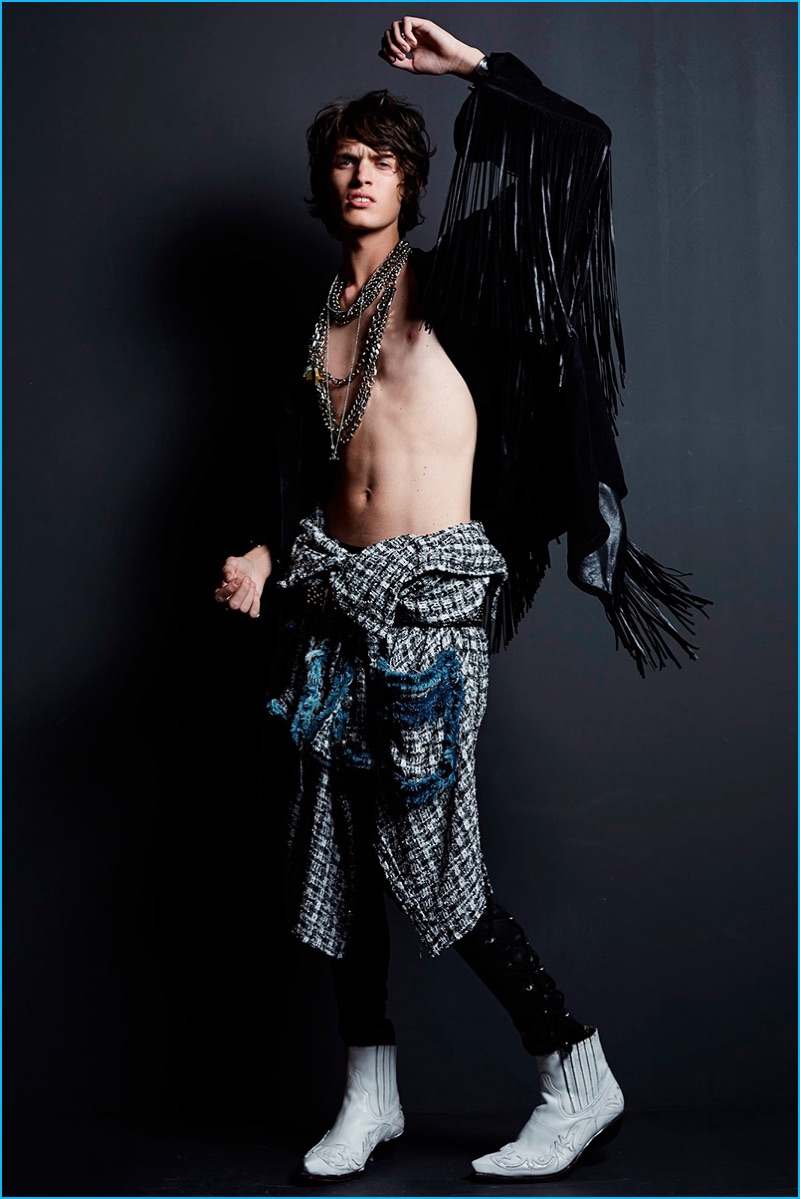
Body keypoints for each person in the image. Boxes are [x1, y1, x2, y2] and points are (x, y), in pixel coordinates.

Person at [214, 15, 709, 1183]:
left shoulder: (453, 287)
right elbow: (307, 470)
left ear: (410, 182)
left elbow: (580, 149)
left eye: (381, 159)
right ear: (323, 183)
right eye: (344, 159)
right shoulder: (320, 324)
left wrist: (473, 68)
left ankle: (574, 1067)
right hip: (331, 606)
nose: (359, 174)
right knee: (334, 855)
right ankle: (369, 1088)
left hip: (429, 611)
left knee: (433, 861)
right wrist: (266, 551)